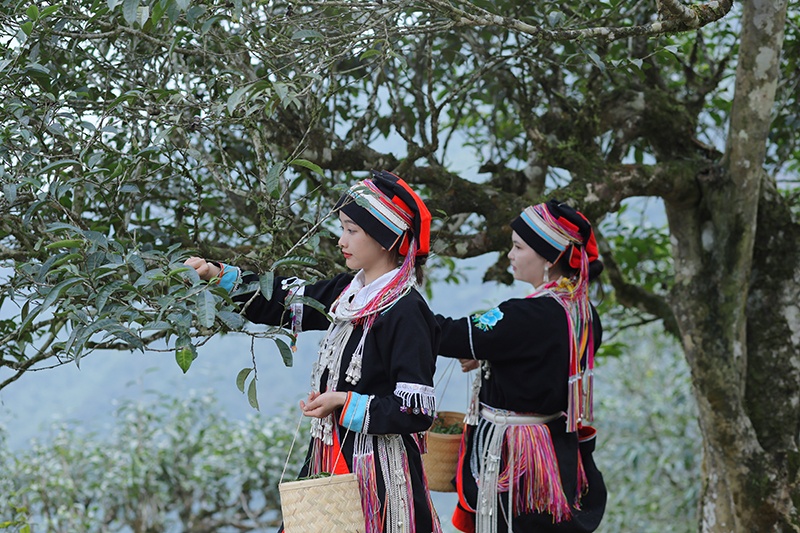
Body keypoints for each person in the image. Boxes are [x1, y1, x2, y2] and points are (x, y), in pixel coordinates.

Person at [184, 170, 443, 533]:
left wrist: (344, 402)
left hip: (379, 475)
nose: (342, 241)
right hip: (330, 456)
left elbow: (415, 410)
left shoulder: (406, 311)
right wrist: (216, 274)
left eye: (352, 230)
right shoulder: (349, 291)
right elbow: (285, 302)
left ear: (385, 238)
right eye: (343, 228)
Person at [435, 200, 607, 533]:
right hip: (557, 452)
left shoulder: (526, 315)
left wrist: (402, 314)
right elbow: (534, 359)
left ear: (549, 257)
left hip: (516, 458)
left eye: (518, 247)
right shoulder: (584, 313)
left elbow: (452, 335)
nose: (510, 256)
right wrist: (493, 353)